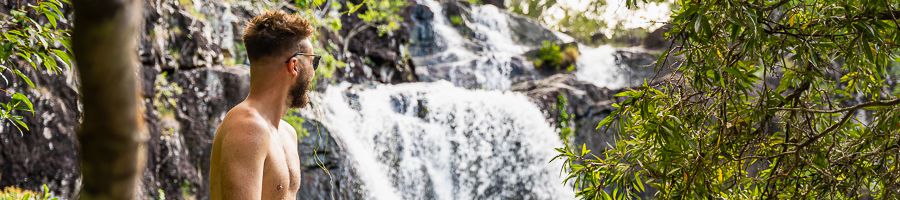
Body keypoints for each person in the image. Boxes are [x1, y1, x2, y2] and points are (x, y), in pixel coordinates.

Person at [209, 10, 320, 200]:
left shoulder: (287, 133)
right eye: (313, 62)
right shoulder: (247, 128)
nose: (313, 73)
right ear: (294, 66)